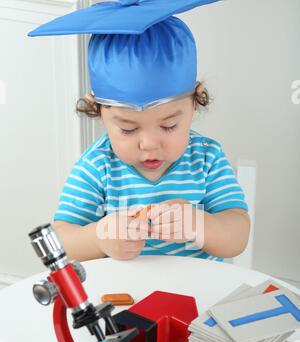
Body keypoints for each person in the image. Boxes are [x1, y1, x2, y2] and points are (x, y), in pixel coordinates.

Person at [28, 0, 250, 262]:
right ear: (96, 109)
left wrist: (200, 225)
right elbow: (61, 239)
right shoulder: (97, 167)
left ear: (196, 101)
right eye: (128, 129)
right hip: (123, 297)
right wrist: (98, 238)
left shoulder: (206, 159)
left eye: (169, 126)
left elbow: (238, 236)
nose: (149, 144)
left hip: (198, 297)